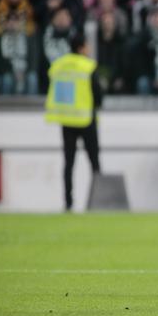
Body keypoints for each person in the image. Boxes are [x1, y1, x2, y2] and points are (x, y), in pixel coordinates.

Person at [44, 33, 103, 211]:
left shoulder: (58, 65)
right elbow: (98, 95)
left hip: (67, 119)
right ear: (81, 48)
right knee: (94, 162)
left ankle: (68, 203)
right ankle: (98, 200)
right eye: (87, 45)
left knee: (68, 164)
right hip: (86, 119)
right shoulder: (88, 66)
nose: (89, 49)